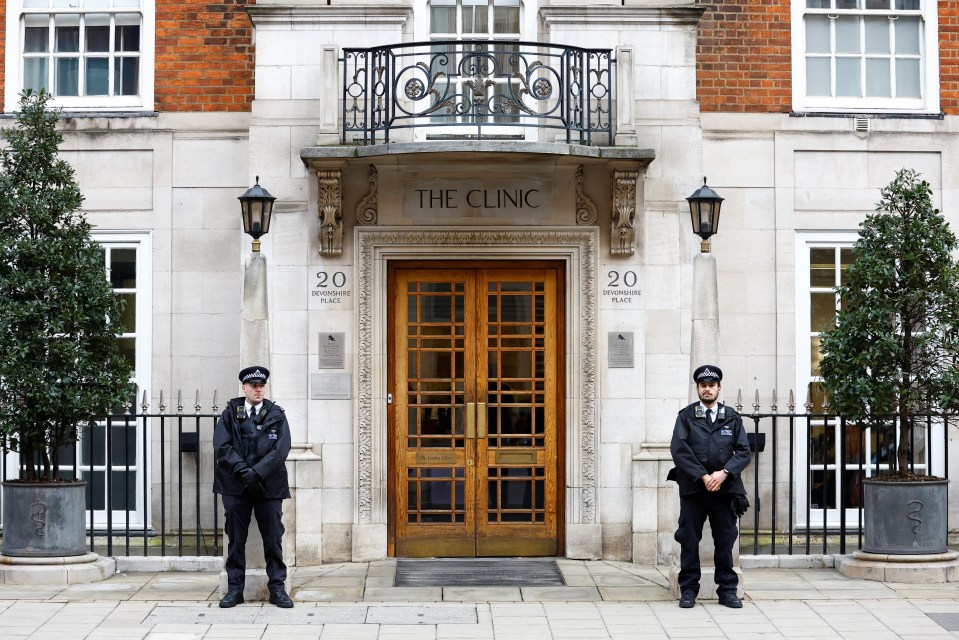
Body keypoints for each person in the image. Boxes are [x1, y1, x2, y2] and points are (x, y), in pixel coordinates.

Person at [669, 364, 750, 609]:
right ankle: (689, 590)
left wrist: (724, 474)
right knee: (689, 540)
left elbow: (744, 451)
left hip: (724, 490)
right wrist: (704, 476)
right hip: (694, 489)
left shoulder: (732, 417)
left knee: (725, 540)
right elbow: (679, 451)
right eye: (703, 386)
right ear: (697, 389)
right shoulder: (686, 416)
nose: (707, 390)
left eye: (711, 386)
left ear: (718, 388)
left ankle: (727, 590)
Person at [213, 366, 294, 609]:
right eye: (254, 386)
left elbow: (281, 449)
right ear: (244, 388)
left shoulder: (277, 414)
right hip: (235, 486)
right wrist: (243, 471)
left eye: (262, 386)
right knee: (236, 540)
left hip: (268, 486)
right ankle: (235, 590)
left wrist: (256, 472)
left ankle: (277, 589)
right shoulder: (229, 414)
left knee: (273, 539)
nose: (259, 389)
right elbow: (222, 447)